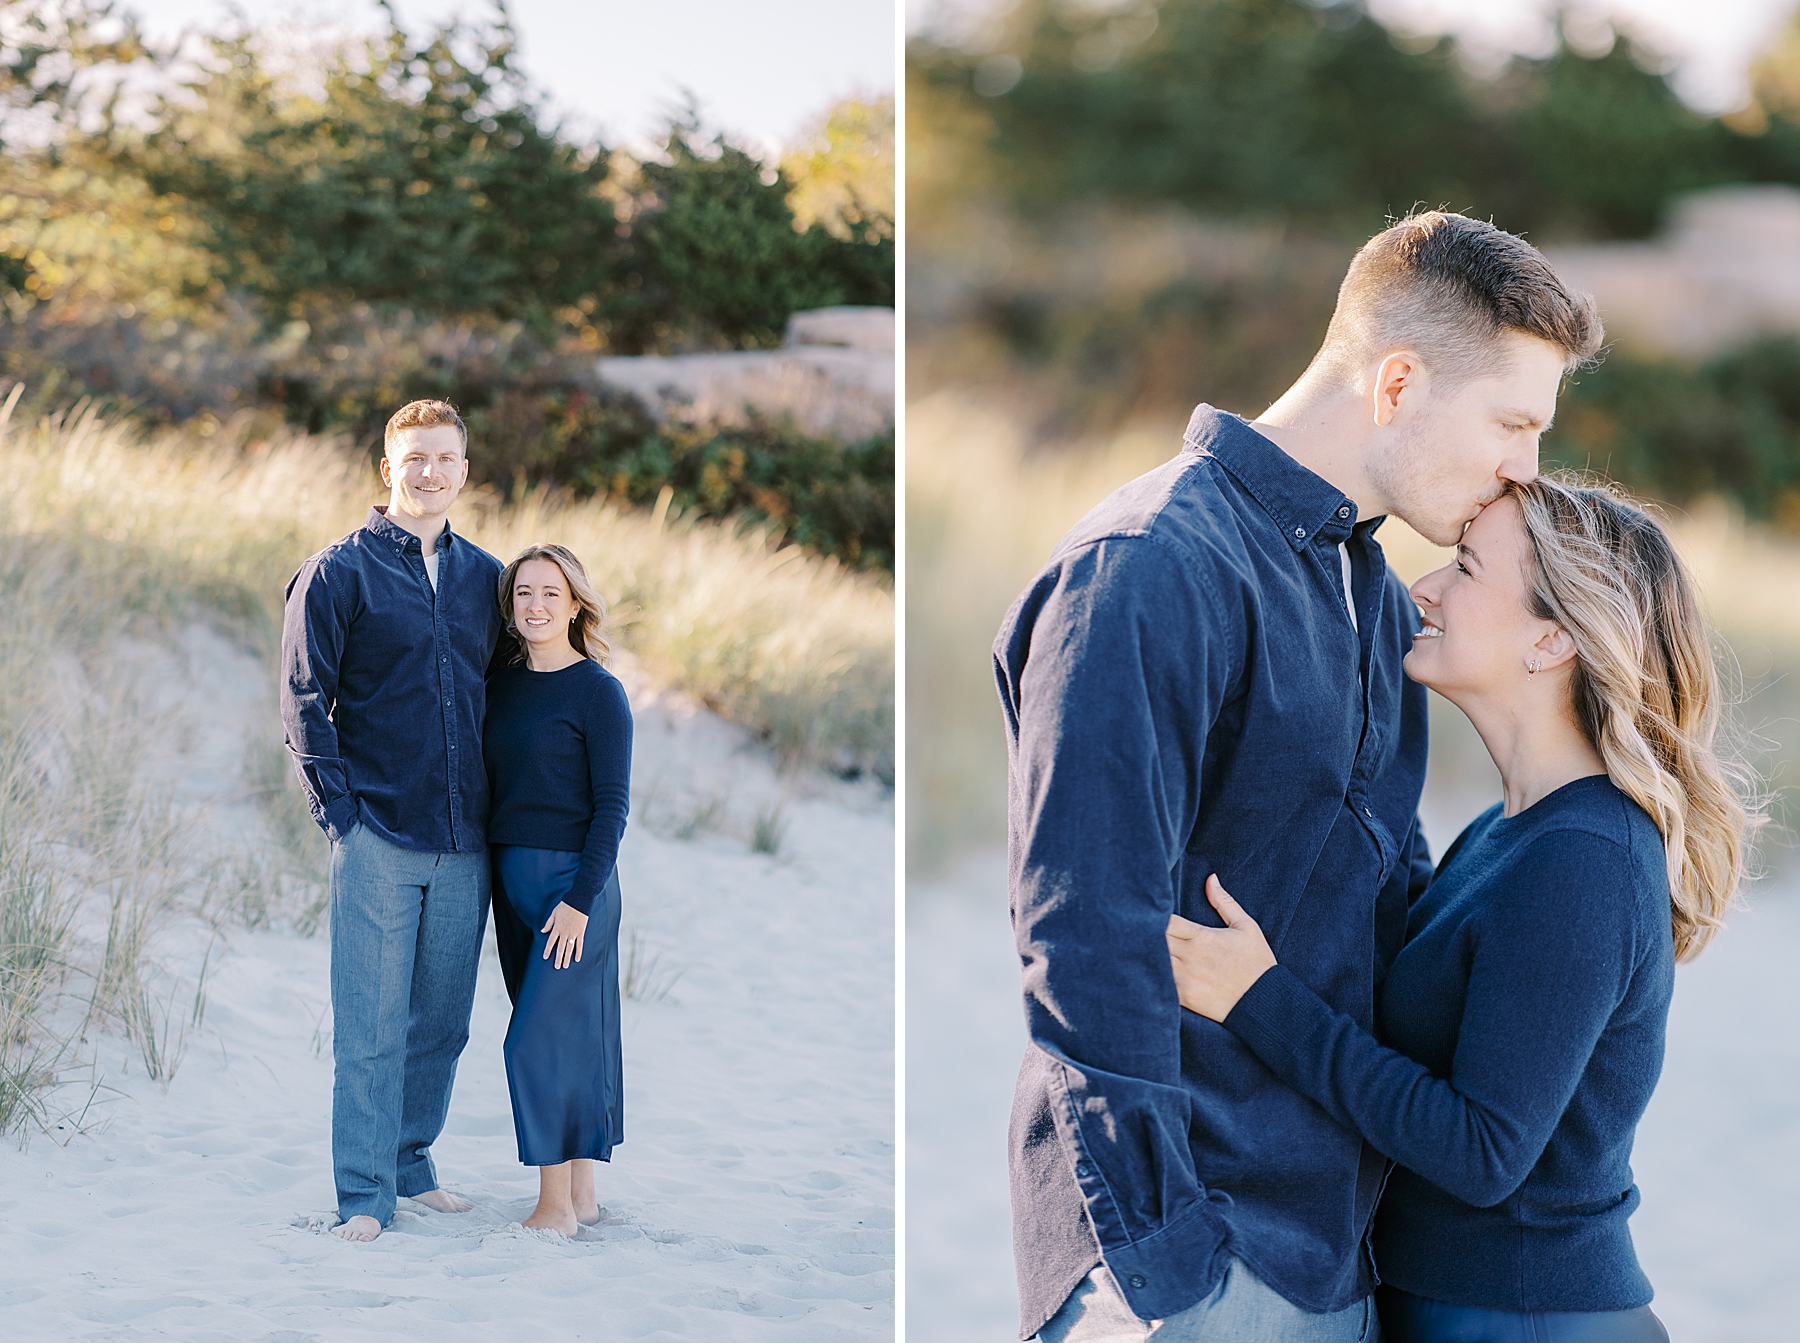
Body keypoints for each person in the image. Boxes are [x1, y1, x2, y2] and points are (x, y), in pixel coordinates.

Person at [993, 211, 1603, 1341]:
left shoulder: (1371, 592)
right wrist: (1167, 1268)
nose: (1526, 468)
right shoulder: (1148, 567)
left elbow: (1379, 911)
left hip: (1336, 1256)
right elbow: (1083, 938)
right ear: (1400, 381)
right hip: (1191, 1263)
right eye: (1513, 422)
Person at [1166, 479, 1751, 1342]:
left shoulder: (1585, 857)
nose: (1425, 589)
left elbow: (1482, 1150)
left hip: (1524, 1316)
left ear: (1553, 637)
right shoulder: (1511, 830)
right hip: (1467, 1307)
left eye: (1467, 568)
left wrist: (1260, 1000)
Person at [281, 399, 504, 1243]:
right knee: (370, 1023)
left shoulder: (487, 577)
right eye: (415, 458)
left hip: (465, 836)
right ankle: (365, 1197)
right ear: (388, 469)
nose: (431, 471)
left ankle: (411, 1162)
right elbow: (304, 701)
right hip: (377, 831)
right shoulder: (339, 572)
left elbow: (506, 697)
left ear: (465, 470)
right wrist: (344, 818)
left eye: (446, 458)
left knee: (442, 1022)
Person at [483, 543, 633, 1237]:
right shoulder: (502, 683)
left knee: (532, 1041)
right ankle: (584, 1192)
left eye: (550, 592)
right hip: (512, 888)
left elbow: (612, 808)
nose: (535, 605)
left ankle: (553, 1210)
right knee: (567, 1038)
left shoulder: (598, 691)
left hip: (576, 893)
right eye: (523, 593)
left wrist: (578, 900)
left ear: (576, 603)